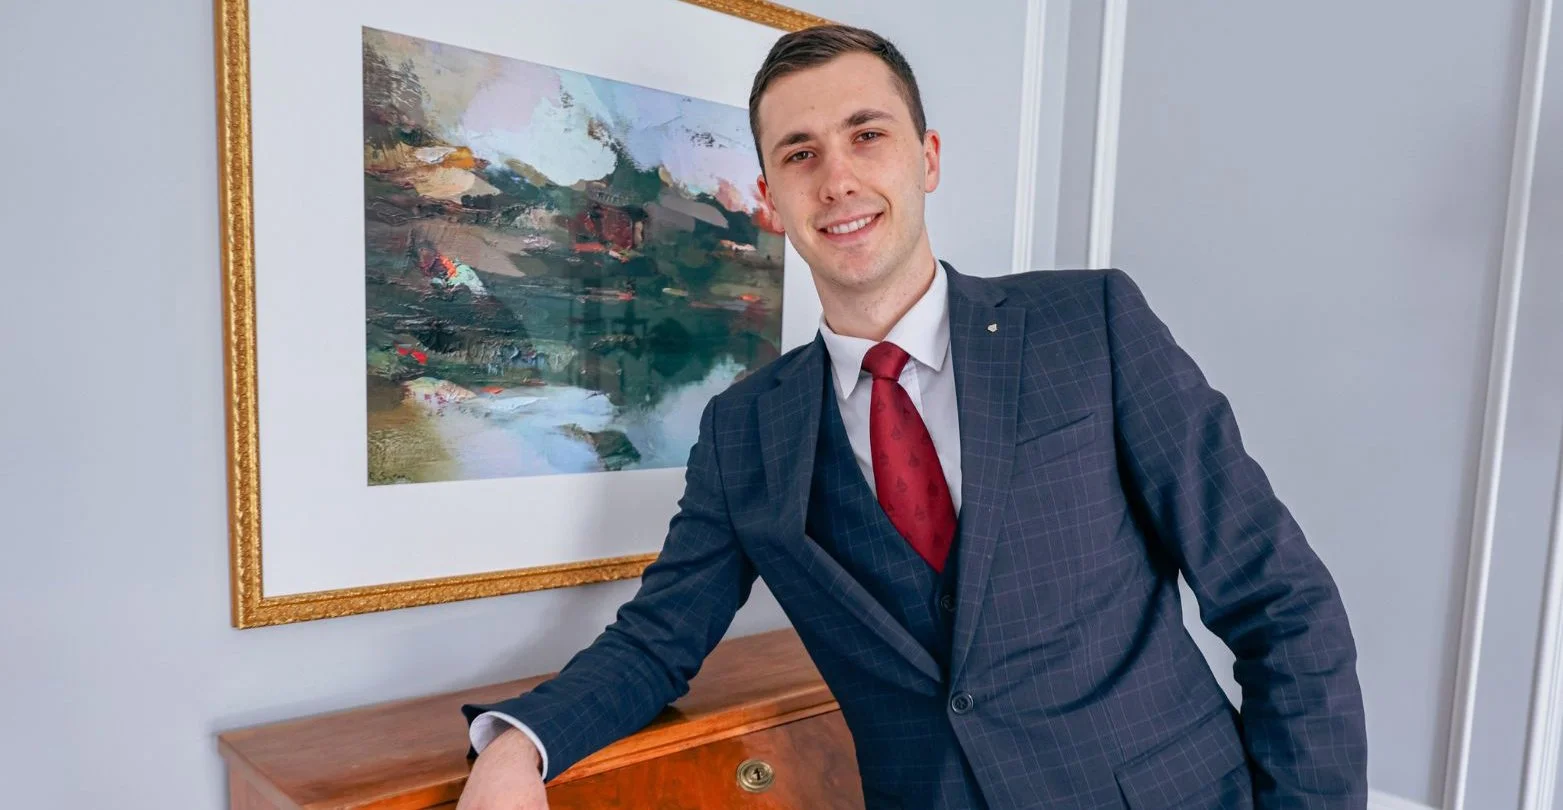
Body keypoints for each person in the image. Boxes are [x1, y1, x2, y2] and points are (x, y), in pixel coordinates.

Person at [454, 23, 1368, 810]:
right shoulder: (743, 433)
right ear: (770, 202)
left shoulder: (1088, 324)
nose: (837, 179)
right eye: (800, 153)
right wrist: (515, 745)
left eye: (867, 135)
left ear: (925, 157)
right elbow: (659, 641)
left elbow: (1276, 599)